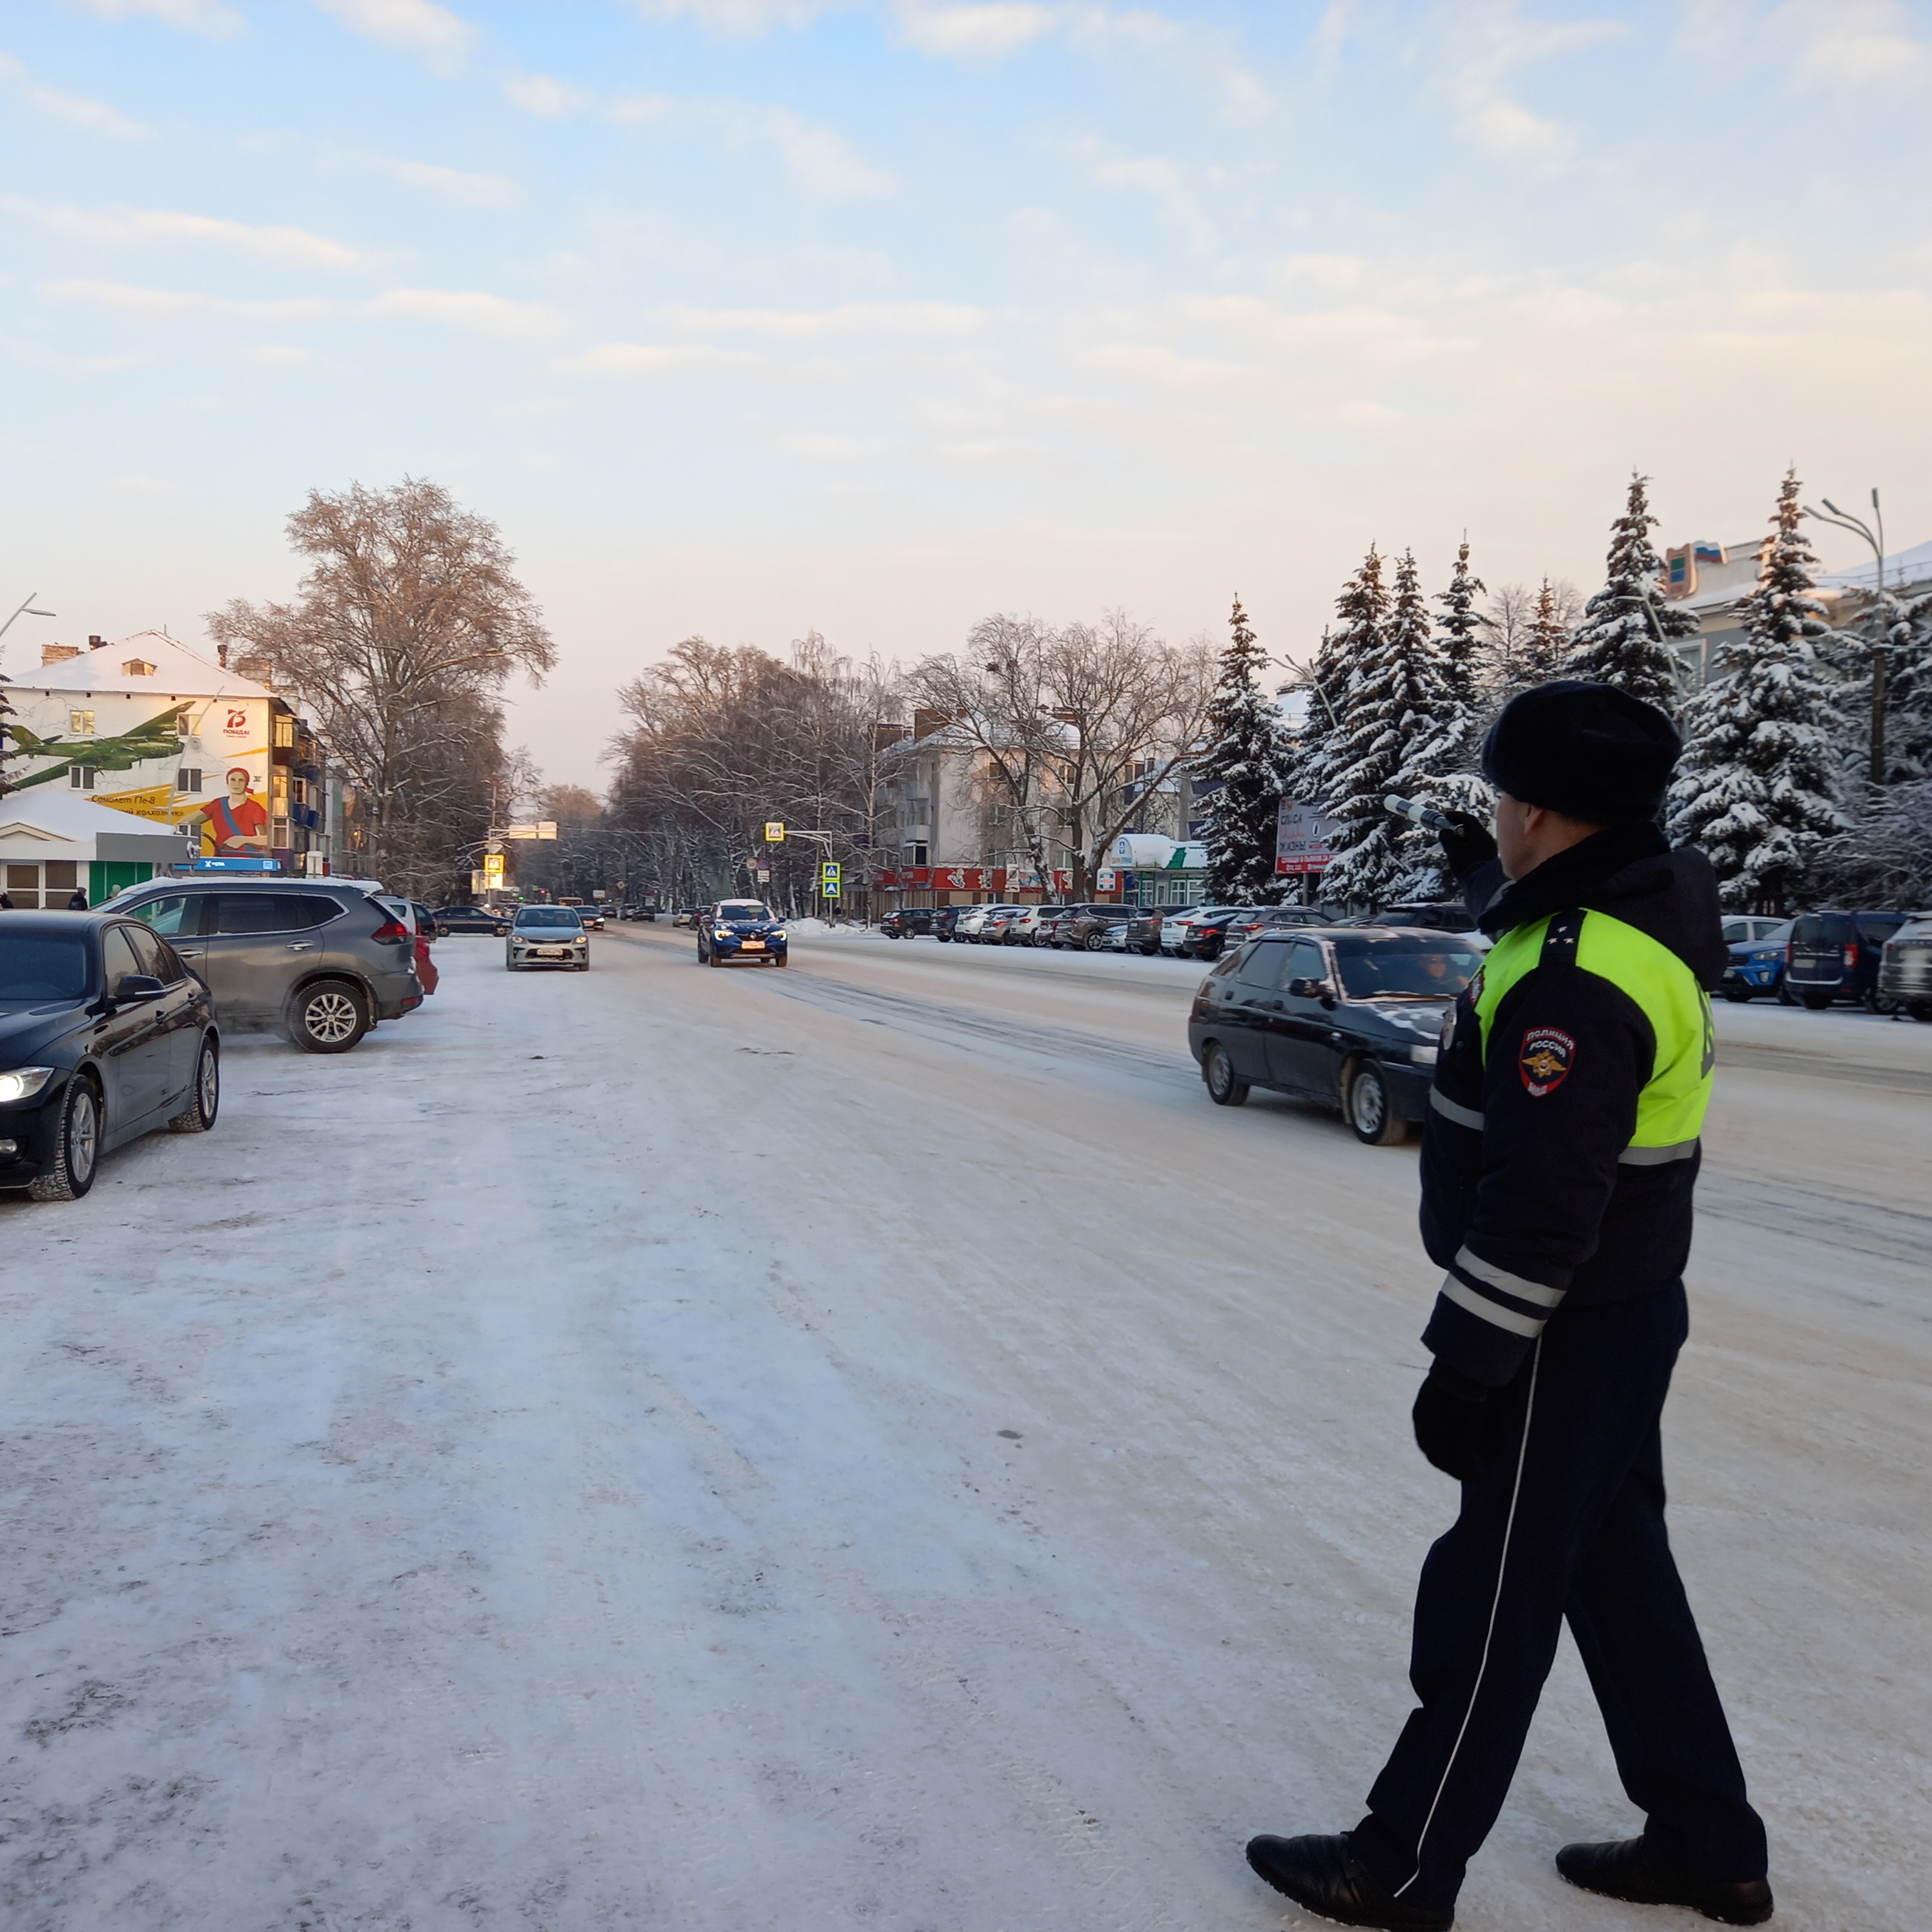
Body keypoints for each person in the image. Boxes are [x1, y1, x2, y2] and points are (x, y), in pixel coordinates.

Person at [1246, 682, 1773, 1929]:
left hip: (1561, 1329)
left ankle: (1401, 1863)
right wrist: (1493, 884)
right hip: (1624, 1310)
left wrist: (1470, 1363)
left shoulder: (1573, 983)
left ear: (1538, 807)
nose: (1494, 813)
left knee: (1492, 1594)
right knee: (1617, 1578)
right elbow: (1573, 935)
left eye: (1502, 797)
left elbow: (1543, 1203)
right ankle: (1706, 1840)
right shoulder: (1634, 922)